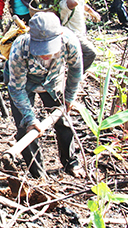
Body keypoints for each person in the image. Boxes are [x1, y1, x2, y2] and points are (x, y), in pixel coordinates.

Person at [6, 12, 83, 178]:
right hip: (23, 84)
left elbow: (76, 69)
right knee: (25, 128)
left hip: (52, 81)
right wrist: (30, 118)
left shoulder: (69, 41)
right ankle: (38, 175)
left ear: (60, 35)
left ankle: (71, 162)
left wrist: (69, 97)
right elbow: (17, 89)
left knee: (63, 121)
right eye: (40, 48)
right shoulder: (20, 49)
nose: (45, 54)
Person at [58, 0, 101, 72]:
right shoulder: (65, 3)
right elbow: (74, 3)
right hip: (73, 35)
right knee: (91, 53)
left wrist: (92, 12)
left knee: (79, 55)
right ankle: (75, 73)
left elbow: (81, 4)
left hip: (80, 32)